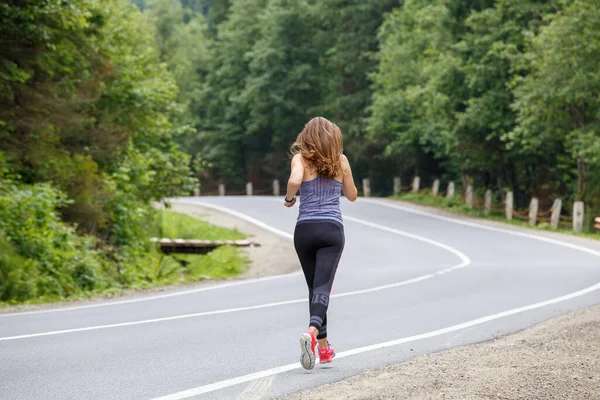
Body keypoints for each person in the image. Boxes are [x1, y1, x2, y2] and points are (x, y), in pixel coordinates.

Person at [284, 116, 358, 370]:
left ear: (307, 137)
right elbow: (352, 195)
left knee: (314, 288)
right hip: (331, 231)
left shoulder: (300, 159)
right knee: (322, 288)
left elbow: (294, 181)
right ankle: (312, 333)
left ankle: (324, 350)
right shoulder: (341, 161)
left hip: (304, 231)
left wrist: (290, 198)